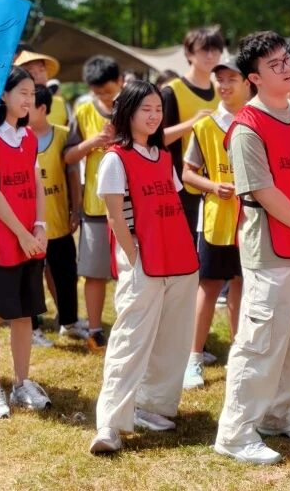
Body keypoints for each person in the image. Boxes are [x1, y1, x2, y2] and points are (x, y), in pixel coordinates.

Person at [213, 31, 290, 466]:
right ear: (254, 78)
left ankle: (279, 413)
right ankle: (235, 432)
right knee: (259, 344)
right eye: (275, 64)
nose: (288, 67)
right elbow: (263, 192)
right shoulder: (246, 128)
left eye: (288, 59)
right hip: (272, 253)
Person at [89, 81, 200, 454]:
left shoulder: (164, 156)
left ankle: (153, 405)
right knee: (130, 339)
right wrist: (133, 258)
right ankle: (110, 422)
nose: (153, 116)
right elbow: (115, 216)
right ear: (128, 113)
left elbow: (174, 203)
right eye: (145, 109)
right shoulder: (114, 159)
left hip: (179, 258)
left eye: (157, 109)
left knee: (173, 338)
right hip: (143, 260)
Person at [0, 66, 52, 419]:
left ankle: (22, 383)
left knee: (24, 313)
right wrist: (21, 233)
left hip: (27, 236)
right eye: (22, 92)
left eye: (32, 94)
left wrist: (41, 225)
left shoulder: (29, 138)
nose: (28, 99)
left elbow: (36, 184)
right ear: (3, 95)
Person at [180, 58, 247, 389]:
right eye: (220, 79)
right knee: (208, 287)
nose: (224, 85)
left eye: (231, 79)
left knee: (241, 285)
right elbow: (187, 172)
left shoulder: (256, 121)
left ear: (247, 82)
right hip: (216, 221)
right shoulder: (204, 126)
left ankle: (239, 353)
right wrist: (212, 187)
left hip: (250, 220)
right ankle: (193, 357)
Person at [64, 56, 123, 352]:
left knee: (131, 272)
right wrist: (94, 142)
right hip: (96, 206)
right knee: (94, 272)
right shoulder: (84, 110)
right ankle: (95, 329)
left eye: (109, 92)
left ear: (121, 82)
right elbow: (69, 156)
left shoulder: (134, 107)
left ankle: (128, 329)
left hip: (130, 205)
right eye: (98, 93)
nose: (104, 98)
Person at [29, 84, 84, 339]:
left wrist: (76, 208)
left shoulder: (63, 135)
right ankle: (32, 327)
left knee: (66, 274)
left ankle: (69, 322)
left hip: (59, 221)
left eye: (29, 104)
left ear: (42, 108)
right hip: (29, 226)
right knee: (29, 278)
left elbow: (73, 174)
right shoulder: (18, 136)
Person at [161, 27, 224, 243]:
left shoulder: (222, 91)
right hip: (181, 187)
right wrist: (191, 124)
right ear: (188, 53)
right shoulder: (172, 91)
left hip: (218, 184)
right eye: (203, 50)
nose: (210, 56)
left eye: (215, 50)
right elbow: (155, 139)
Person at [16, 49, 70, 129]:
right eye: (31, 72)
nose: (39, 75)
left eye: (42, 70)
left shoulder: (61, 103)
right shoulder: (12, 107)